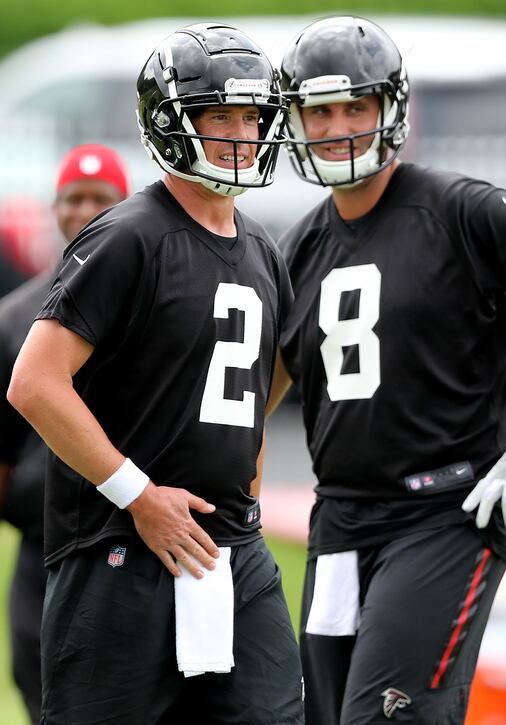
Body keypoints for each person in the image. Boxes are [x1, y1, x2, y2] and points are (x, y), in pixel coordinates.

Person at [266, 16, 506, 725]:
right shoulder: (299, 248)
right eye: (319, 110)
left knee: (386, 716)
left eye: (356, 104)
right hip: (340, 523)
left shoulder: (457, 208)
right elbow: (255, 398)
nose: (338, 125)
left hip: (443, 511)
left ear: (391, 108)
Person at [8, 23, 303, 725]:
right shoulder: (129, 235)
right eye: (219, 116)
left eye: (251, 116)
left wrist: (242, 485)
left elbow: (269, 378)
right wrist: (140, 495)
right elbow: (35, 382)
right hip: (119, 548)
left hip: (229, 546)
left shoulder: (262, 248)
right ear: (172, 125)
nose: (241, 133)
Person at [0, 143, 129, 724]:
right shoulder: (16, 315)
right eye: (73, 198)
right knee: (36, 671)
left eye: (100, 199)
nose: (85, 210)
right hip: (43, 534)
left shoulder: (149, 303)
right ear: (54, 208)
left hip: (124, 525)